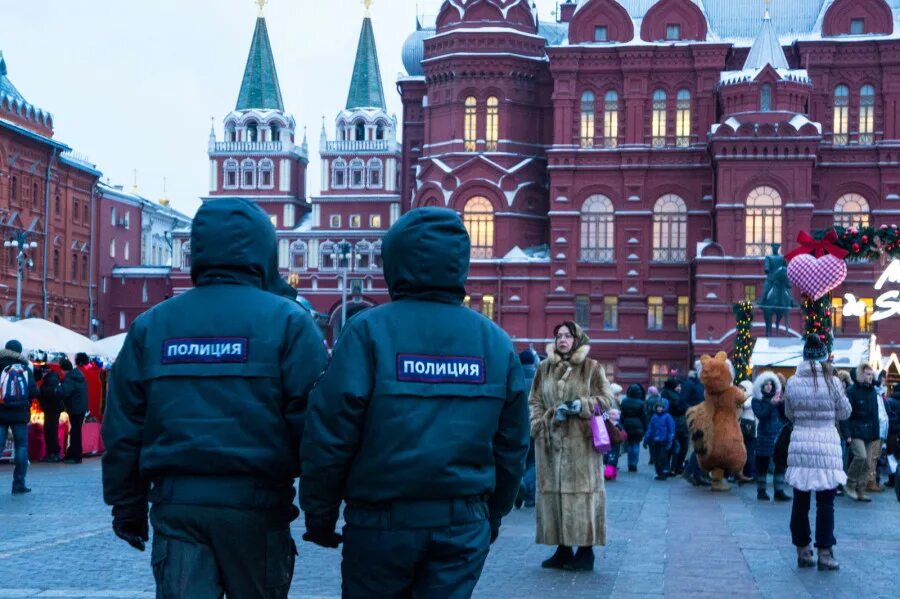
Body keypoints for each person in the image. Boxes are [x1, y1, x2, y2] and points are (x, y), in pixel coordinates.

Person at [102, 198, 328, 599]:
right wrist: (320, 510)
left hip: (178, 509)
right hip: (257, 509)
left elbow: (124, 425)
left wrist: (127, 507)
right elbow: (315, 427)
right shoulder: (290, 322)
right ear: (264, 249)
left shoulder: (152, 326)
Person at [300, 207, 529, 598]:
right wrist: (493, 514)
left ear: (394, 259)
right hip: (461, 525)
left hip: (380, 525)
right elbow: (512, 443)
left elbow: (331, 431)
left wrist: (320, 514)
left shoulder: (368, 331)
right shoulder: (494, 342)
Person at [529, 321, 615, 572]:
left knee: (582, 498)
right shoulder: (544, 369)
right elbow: (534, 400)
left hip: (582, 447)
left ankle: (586, 552)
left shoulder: (591, 368)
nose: (562, 340)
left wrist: (581, 405)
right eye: (558, 336)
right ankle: (563, 549)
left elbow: (608, 399)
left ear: (577, 340)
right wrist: (538, 424)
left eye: (567, 335)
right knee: (554, 496)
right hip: (550, 444)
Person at [785, 335, 851, 571]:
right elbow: (844, 413)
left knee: (800, 502)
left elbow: (789, 414)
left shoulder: (792, 382)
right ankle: (825, 552)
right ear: (824, 357)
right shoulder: (833, 381)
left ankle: (803, 551)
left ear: (804, 357)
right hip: (827, 447)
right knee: (826, 503)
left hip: (801, 444)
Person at [0, 339, 39, 494]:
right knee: (21, 448)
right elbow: (35, 392)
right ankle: (18, 484)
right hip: (20, 415)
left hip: (0, 413)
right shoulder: (25, 369)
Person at [841, 363, 881, 502]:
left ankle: (861, 490)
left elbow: (875, 415)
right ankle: (850, 484)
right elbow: (846, 415)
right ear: (860, 374)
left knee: (867, 462)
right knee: (861, 457)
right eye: (867, 374)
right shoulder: (852, 391)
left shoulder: (873, 392)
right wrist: (847, 435)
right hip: (855, 430)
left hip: (870, 431)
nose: (870, 377)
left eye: (871, 374)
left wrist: (876, 434)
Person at [752, 371, 790, 501]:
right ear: (761, 386)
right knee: (762, 465)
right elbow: (761, 415)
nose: (769, 386)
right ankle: (761, 491)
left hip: (778, 436)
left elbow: (785, 416)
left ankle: (779, 491)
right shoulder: (757, 400)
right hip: (764, 435)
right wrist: (771, 404)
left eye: (770, 384)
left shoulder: (777, 398)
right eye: (766, 384)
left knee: (780, 464)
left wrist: (782, 403)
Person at [517, 349, 538, 508]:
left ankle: (517, 490)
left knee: (517, 461)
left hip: (515, 428)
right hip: (535, 427)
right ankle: (528, 494)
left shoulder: (513, 377)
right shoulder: (540, 379)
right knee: (534, 462)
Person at [58, 357, 88, 464]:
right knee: (76, 431)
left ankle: (75, 456)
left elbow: (64, 392)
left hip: (75, 408)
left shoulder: (70, 378)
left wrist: (57, 388)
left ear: (64, 369)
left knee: (75, 432)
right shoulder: (79, 376)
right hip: (80, 408)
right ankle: (74, 453)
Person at [37, 364, 63, 462]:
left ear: (45, 372)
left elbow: (47, 393)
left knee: (51, 431)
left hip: (52, 409)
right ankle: (52, 453)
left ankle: (54, 453)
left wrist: (38, 392)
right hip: (52, 409)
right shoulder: (52, 378)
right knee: (50, 431)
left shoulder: (50, 380)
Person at [644, 402, 675, 480]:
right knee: (656, 458)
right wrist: (646, 439)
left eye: (661, 407)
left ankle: (664, 472)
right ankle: (659, 472)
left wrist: (670, 440)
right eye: (658, 407)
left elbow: (671, 430)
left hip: (663, 441)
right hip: (655, 441)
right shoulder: (654, 417)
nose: (659, 409)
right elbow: (650, 428)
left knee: (663, 457)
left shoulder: (667, 417)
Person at [664, 379, 689, 475]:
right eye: (678, 386)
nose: (680, 388)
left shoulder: (669, 395)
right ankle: (675, 468)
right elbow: (682, 408)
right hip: (678, 425)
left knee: (677, 448)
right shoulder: (674, 397)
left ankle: (673, 468)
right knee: (678, 448)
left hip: (678, 425)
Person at [621, 383, 647, 472]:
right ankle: (634, 463)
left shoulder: (624, 401)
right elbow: (644, 417)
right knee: (636, 445)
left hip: (627, 425)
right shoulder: (641, 403)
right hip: (638, 426)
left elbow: (622, 415)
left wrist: (621, 426)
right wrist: (645, 428)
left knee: (629, 445)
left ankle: (629, 464)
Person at [738, 380, 758, 481]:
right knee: (746, 451)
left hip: (749, 429)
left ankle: (751, 473)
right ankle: (747, 472)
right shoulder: (752, 398)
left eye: (742, 388)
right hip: (747, 428)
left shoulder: (750, 399)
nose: (739, 390)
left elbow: (744, 405)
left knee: (749, 452)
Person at [604, 408, 626, 480]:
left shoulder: (619, 425)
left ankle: (609, 474)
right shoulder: (605, 423)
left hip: (615, 445)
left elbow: (624, 435)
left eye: (613, 414)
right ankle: (608, 473)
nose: (611, 416)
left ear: (618, 416)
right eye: (610, 414)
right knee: (606, 458)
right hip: (606, 443)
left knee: (612, 459)